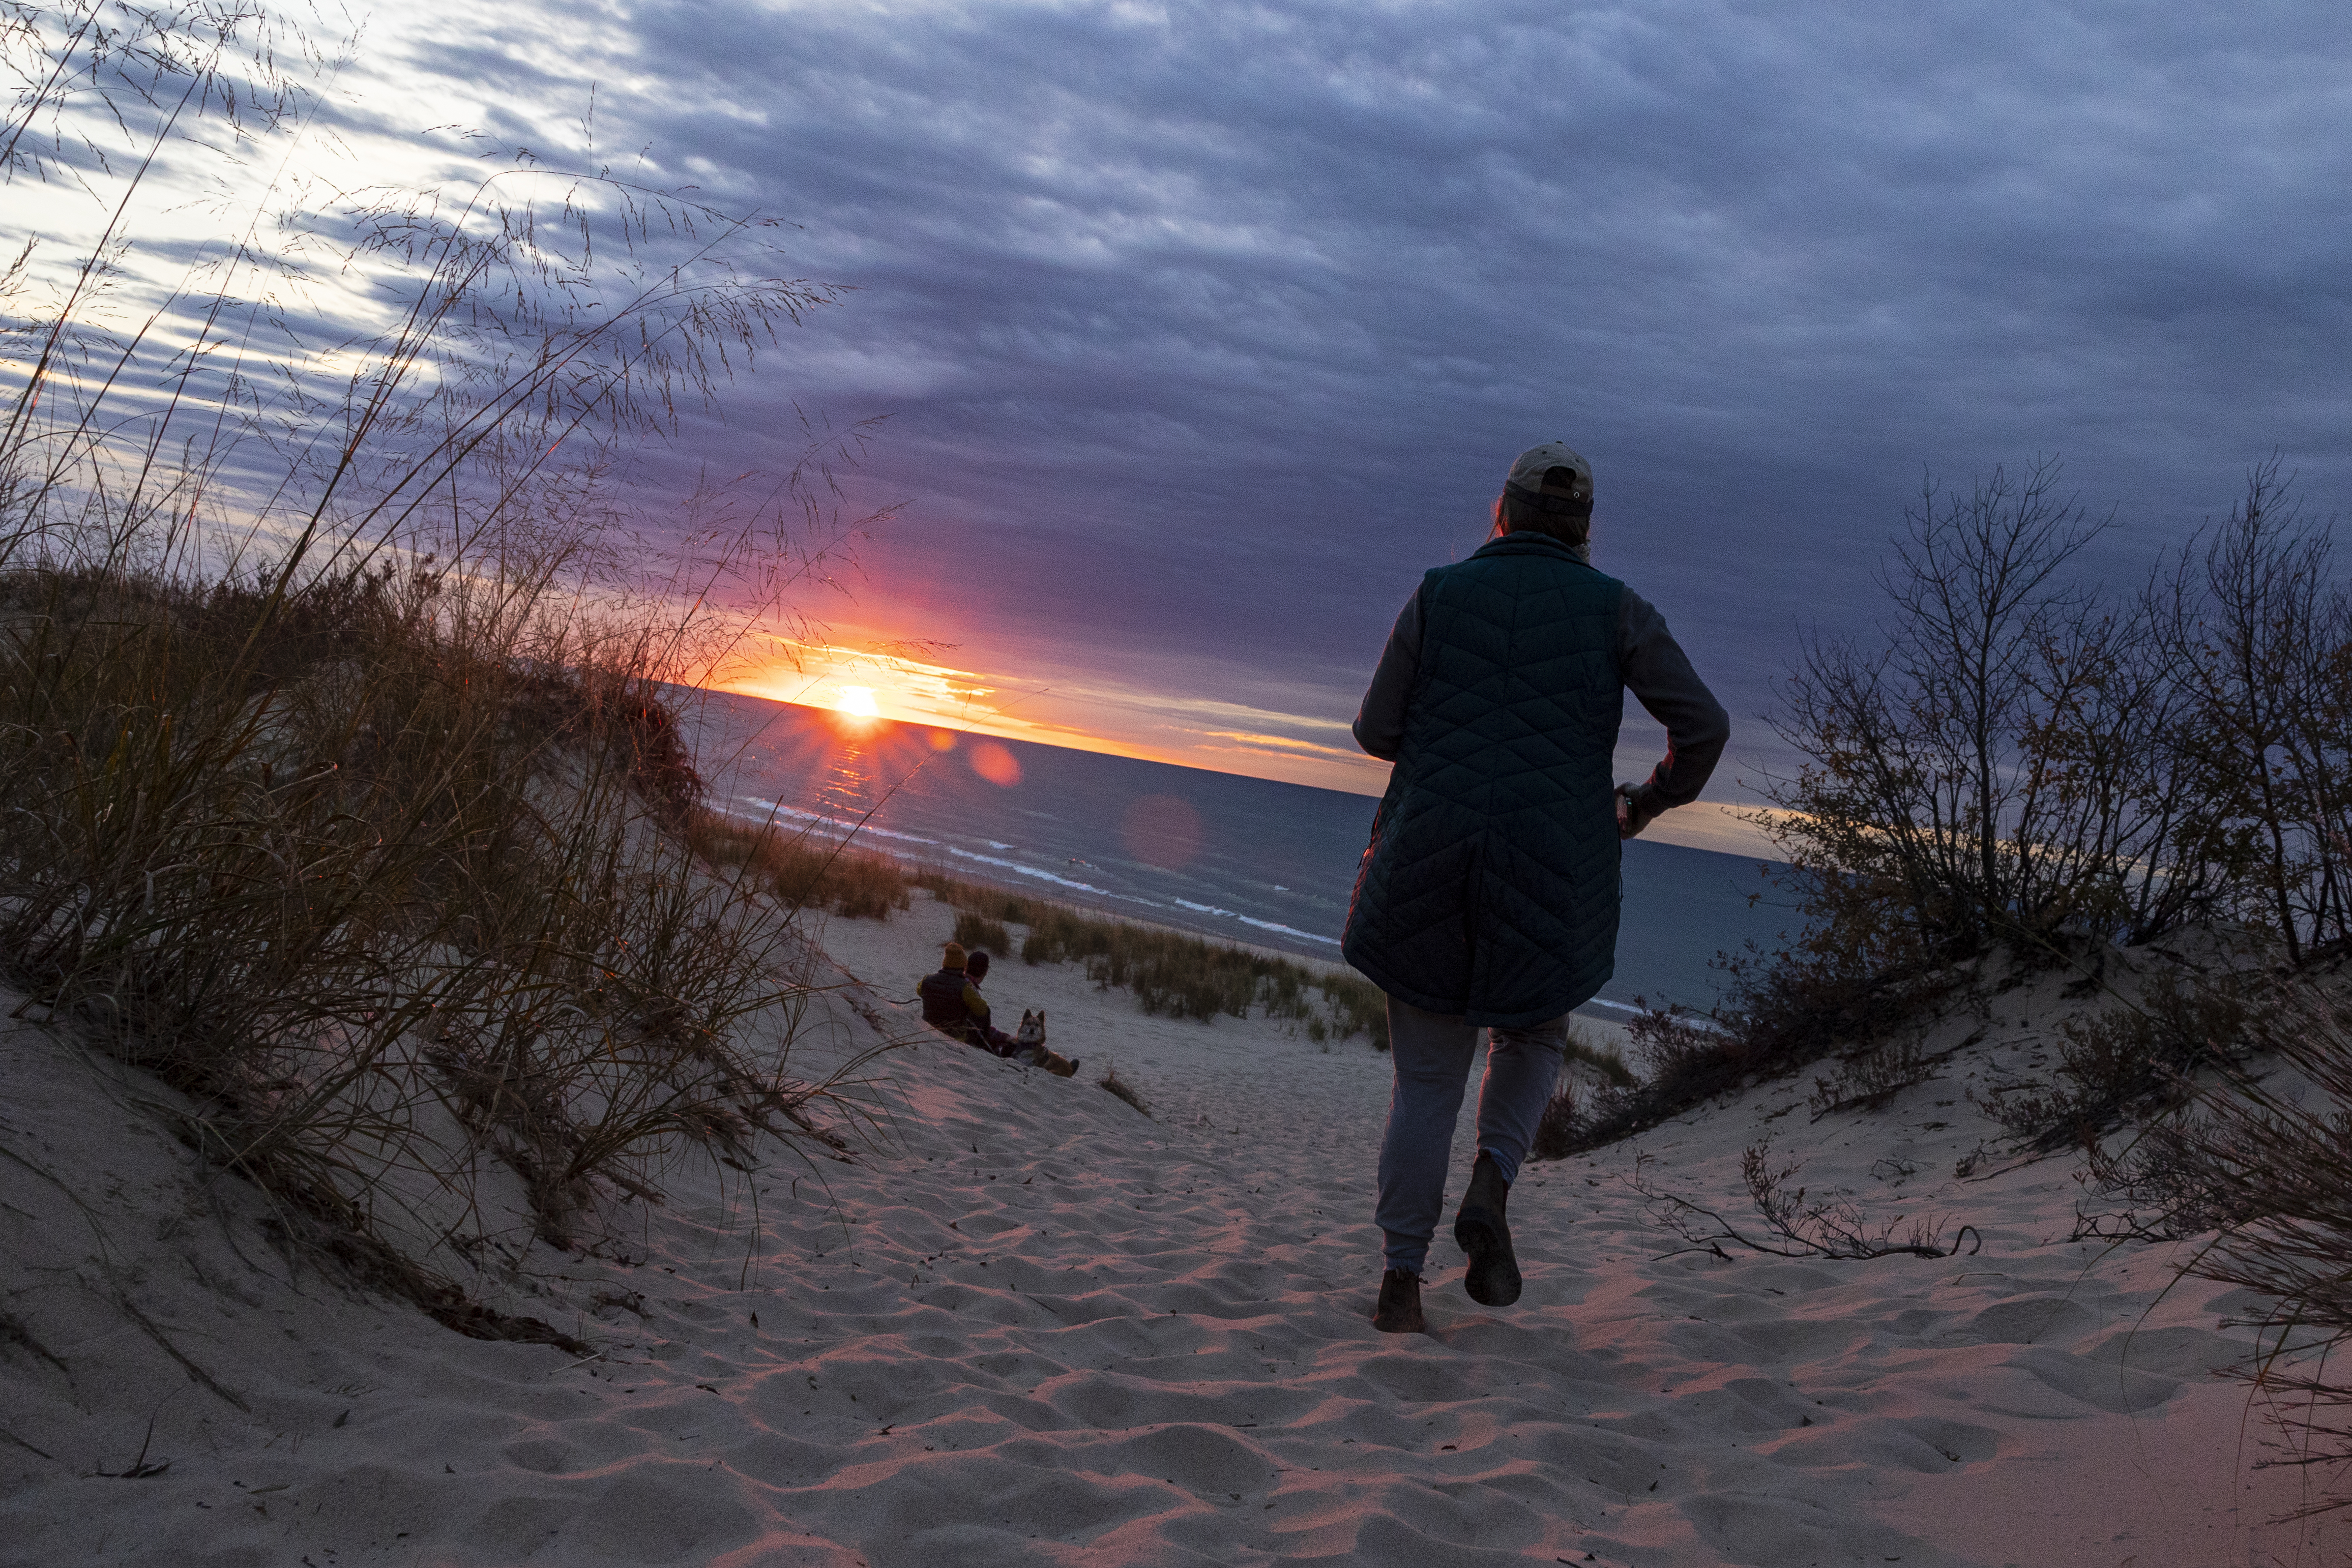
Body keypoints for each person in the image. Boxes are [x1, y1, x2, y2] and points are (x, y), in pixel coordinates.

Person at [1342, 441, 1729, 1334]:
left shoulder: (1439, 593)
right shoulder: (1616, 610)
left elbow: (1375, 729)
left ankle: (1400, 1282)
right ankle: (1493, 1176)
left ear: (1502, 512)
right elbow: (1700, 725)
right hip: (1553, 866)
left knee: (1424, 1083)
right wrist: (1642, 800)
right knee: (1532, 1034)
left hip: (1427, 857)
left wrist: (1453, 753)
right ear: (1583, 529)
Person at [968, 951, 1081, 1078]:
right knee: (1008, 1049)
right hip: (975, 1038)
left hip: (975, 1034)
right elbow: (982, 1029)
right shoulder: (971, 993)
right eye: (1029, 1024)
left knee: (1013, 1047)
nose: (1032, 1028)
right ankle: (1069, 1069)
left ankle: (1068, 1068)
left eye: (1036, 1026)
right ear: (985, 972)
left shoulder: (964, 985)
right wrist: (1004, 1037)